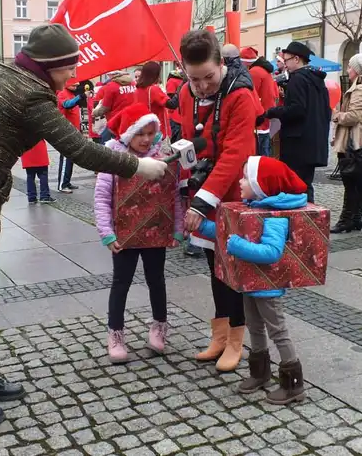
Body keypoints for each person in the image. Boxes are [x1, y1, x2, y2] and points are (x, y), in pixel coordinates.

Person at [0, 23, 168, 429]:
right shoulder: (31, 93)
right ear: (51, 65)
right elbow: (77, 149)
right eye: (69, 67)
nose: (72, 75)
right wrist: (139, 166)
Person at [179, 30, 260, 372]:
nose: (201, 86)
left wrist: (200, 203)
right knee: (214, 266)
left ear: (221, 64)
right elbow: (190, 139)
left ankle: (237, 339)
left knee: (233, 268)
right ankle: (220, 334)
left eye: (208, 77)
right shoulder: (187, 93)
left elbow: (234, 153)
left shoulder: (240, 94)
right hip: (206, 191)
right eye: (193, 79)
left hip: (234, 194)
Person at [197, 156, 308, 404]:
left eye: (246, 177)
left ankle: (293, 385)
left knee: (278, 332)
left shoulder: (275, 216)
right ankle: (260, 373)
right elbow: (227, 232)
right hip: (250, 284)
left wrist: (236, 245)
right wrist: (202, 228)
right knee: (255, 328)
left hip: (268, 289)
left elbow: (271, 253)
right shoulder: (252, 207)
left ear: (262, 184)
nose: (240, 181)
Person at [94, 104, 184, 363]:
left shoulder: (162, 156)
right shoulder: (114, 158)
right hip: (124, 235)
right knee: (121, 282)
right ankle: (116, 333)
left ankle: (159, 326)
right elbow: (101, 198)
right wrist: (107, 233)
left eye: (150, 133)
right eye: (139, 134)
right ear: (127, 135)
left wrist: (177, 229)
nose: (146, 139)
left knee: (157, 280)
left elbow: (174, 194)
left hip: (156, 232)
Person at [266, 42, 331, 203]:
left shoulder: (298, 79)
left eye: (286, 60)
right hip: (313, 140)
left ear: (297, 59)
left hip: (297, 142)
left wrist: (273, 112)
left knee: (297, 185)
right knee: (306, 184)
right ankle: (311, 221)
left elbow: (297, 110)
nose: (285, 65)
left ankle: (303, 223)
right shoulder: (317, 80)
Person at [330, 54, 362, 233]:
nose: (347, 70)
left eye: (350, 67)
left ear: (358, 71)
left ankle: (347, 220)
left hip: (354, 144)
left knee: (351, 183)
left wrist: (336, 115)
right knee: (357, 182)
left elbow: (353, 117)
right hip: (355, 142)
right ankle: (355, 219)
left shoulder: (359, 89)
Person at [241, 47, 279, 157]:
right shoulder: (264, 71)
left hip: (258, 120)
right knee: (265, 150)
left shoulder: (254, 72)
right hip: (266, 116)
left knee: (259, 154)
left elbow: (251, 94)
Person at [134, 61, 172, 139]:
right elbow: (172, 104)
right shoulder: (153, 89)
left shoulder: (138, 89)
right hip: (159, 131)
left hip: (144, 129)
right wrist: (182, 85)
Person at [20, 140, 56, 204]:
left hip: (27, 149)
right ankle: (44, 196)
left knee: (30, 176)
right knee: (43, 174)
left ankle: (31, 197)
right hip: (39, 148)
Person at [165, 63, 186, 143]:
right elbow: (171, 100)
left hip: (184, 116)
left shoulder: (186, 79)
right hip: (175, 116)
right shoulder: (172, 81)